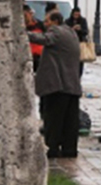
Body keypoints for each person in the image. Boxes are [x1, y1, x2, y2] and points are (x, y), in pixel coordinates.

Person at [28, 11, 83, 159]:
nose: (45, 24)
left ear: (55, 22)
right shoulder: (71, 32)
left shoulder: (56, 32)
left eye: (47, 22)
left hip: (58, 85)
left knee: (53, 120)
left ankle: (52, 149)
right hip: (72, 85)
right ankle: (69, 150)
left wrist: (22, 34)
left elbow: (44, 38)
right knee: (70, 121)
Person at [24, 4, 43, 72]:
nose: (25, 18)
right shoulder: (21, 28)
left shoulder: (40, 25)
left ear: (30, 14)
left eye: (26, 15)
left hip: (40, 58)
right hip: (27, 59)